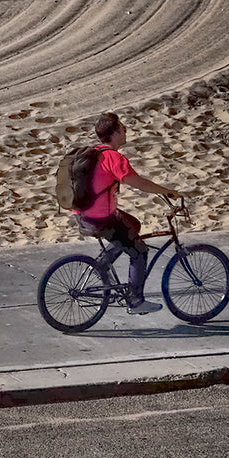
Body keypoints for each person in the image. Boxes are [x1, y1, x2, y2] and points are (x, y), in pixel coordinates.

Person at [76, 113, 181, 314]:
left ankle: (101, 266)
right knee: (140, 251)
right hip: (101, 218)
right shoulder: (114, 157)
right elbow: (138, 182)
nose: (126, 132)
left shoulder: (92, 152)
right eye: (123, 129)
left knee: (133, 224)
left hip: (84, 214)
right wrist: (166, 190)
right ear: (114, 133)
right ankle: (135, 301)